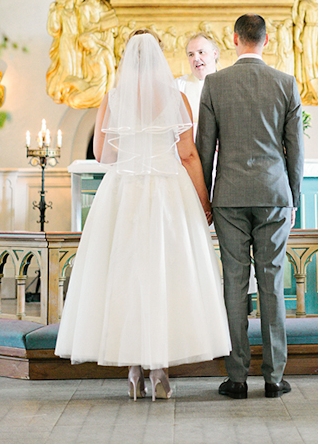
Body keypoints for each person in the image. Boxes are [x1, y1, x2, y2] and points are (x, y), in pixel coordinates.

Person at [55, 29, 230, 401]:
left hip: (124, 193)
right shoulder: (176, 98)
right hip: (168, 192)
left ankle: (134, 371)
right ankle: (161, 373)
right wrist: (203, 200)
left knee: (125, 276)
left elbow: (103, 155)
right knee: (167, 276)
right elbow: (187, 155)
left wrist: (134, 150)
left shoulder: (113, 99)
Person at [196, 14, 304, 399]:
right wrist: (293, 196)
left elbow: (203, 150)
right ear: (266, 39)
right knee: (272, 284)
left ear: (236, 39)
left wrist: (205, 199)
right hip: (274, 195)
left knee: (234, 285)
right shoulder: (286, 83)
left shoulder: (215, 83)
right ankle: (274, 378)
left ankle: (237, 377)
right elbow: (296, 150)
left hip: (229, 197)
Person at [175, 32, 219, 132]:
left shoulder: (228, 84)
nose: (196, 58)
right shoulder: (179, 85)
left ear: (214, 54)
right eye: (191, 54)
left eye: (201, 52)